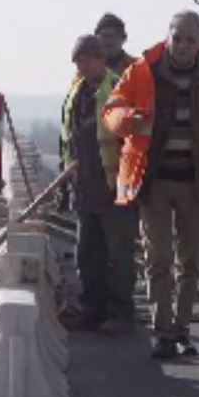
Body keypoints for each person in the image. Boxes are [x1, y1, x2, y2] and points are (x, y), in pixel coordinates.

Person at [102, 11, 199, 359]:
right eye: (178, 38)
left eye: (191, 40)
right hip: (154, 181)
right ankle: (163, 332)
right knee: (159, 259)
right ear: (168, 37)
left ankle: (182, 331)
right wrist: (129, 120)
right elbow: (112, 109)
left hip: (197, 182)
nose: (183, 46)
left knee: (191, 261)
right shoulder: (143, 72)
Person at [59, 35, 137, 333]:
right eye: (78, 60)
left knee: (118, 254)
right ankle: (92, 308)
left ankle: (120, 313)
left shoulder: (119, 88)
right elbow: (69, 138)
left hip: (114, 187)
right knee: (88, 254)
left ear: (100, 59)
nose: (81, 65)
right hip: (86, 188)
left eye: (86, 59)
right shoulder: (77, 92)